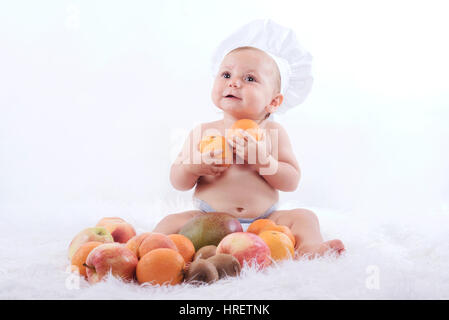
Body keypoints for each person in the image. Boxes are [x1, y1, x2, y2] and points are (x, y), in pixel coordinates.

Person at [153, 20, 345, 259]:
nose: (233, 82)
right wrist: (194, 166)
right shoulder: (203, 132)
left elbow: (291, 180)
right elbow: (178, 180)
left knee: (305, 217)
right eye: (226, 74)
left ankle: (309, 248)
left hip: (265, 222)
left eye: (250, 79)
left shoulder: (274, 135)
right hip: (208, 221)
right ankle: (151, 249)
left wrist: (263, 161)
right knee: (171, 221)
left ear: (274, 101)